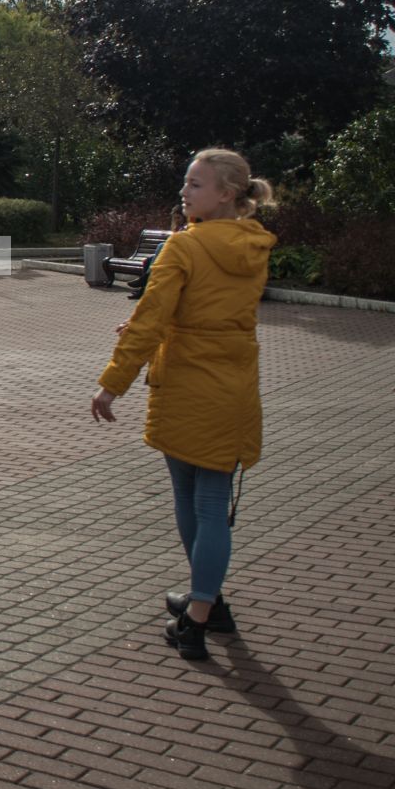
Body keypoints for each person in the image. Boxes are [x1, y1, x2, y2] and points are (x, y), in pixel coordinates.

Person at [90, 149, 277, 662]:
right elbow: (210, 312)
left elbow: (154, 317)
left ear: (224, 194)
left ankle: (196, 617)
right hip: (233, 385)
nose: (184, 192)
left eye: (195, 184)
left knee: (193, 502)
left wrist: (112, 383)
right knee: (212, 501)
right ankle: (207, 600)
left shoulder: (183, 247)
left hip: (187, 386)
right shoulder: (255, 244)